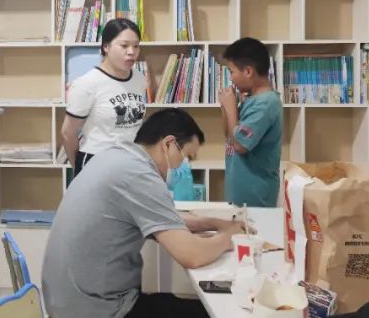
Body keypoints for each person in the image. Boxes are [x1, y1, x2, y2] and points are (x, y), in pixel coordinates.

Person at [41, 109, 249, 318]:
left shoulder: (117, 157)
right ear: (168, 144)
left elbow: (163, 219)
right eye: (186, 156)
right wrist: (228, 238)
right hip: (98, 310)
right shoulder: (140, 175)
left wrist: (214, 223)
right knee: (216, 312)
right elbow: (191, 254)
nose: (184, 164)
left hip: (69, 303)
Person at [60, 18, 147, 177]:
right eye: (124, 45)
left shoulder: (139, 79)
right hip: (96, 161)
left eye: (136, 46)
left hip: (131, 160)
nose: (131, 52)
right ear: (106, 46)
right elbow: (68, 132)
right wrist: (79, 169)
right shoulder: (87, 83)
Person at [219, 37, 283, 207]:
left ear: (248, 71)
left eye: (232, 72)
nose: (231, 78)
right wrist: (226, 107)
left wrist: (231, 108)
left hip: (256, 198)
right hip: (240, 196)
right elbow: (230, 136)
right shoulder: (252, 99)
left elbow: (240, 145)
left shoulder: (266, 104)